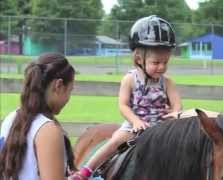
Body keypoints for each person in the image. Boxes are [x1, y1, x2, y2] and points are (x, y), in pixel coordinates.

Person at [71, 15, 182, 179]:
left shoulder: (167, 83)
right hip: (134, 127)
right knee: (115, 141)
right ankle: (85, 171)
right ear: (139, 59)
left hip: (161, 129)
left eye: (165, 62)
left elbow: (177, 104)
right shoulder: (130, 80)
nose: (162, 67)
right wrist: (136, 121)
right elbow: (123, 105)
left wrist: (174, 113)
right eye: (156, 62)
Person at [0, 53, 76, 180]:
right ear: (58, 85)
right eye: (70, 90)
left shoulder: (11, 118)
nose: (68, 98)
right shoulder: (48, 130)